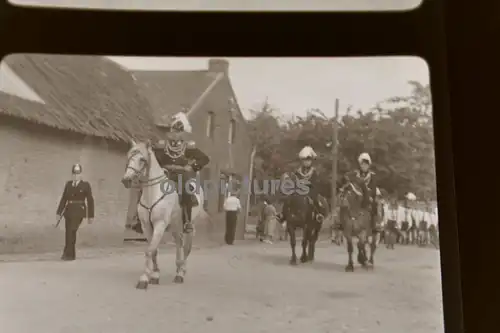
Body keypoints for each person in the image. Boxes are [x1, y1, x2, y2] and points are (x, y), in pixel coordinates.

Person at [128, 112, 210, 234]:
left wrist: (192, 166)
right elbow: (152, 157)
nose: (175, 135)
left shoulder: (188, 147)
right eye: (173, 131)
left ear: (182, 134)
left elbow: (204, 159)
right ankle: (139, 219)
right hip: (164, 174)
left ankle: (187, 221)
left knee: (185, 190)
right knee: (144, 189)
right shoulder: (161, 146)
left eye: (178, 132)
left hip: (180, 175)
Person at [56, 163, 94, 261]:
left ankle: (68, 252)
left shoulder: (85, 185)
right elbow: (64, 199)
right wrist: (59, 212)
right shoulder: (68, 184)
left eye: (78, 173)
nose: (76, 175)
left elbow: (90, 200)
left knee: (72, 230)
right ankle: (70, 254)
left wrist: (90, 215)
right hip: (68, 211)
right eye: (74, 173)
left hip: (79, 211)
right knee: (68, 232)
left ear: (81, 174)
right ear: (72, 174)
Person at [338, 152, 378, 232]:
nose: (364, 166)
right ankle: (341, 223)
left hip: (368, 196)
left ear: (368, 165)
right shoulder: (355, 173)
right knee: (344, 203)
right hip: (357, 195)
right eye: (362, 164)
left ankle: (374, 225)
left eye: (366, 164)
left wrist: (370, 195)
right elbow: (346, 176)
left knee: (375, 204)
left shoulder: (372, 175)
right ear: (360, 164)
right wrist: (345, 178)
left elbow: (373, 189)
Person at [285, 146, 322, 216]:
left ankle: (318, 215)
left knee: (316, 201)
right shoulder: (297, 172)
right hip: (299, 191)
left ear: (311, 161)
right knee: (288, 199)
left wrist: (307, 187)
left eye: (308, 160)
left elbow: (315, 184)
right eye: (305, 160)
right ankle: (283, 215)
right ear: (302, 161)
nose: (306, 162)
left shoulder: (314, 172)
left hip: (310, 192)